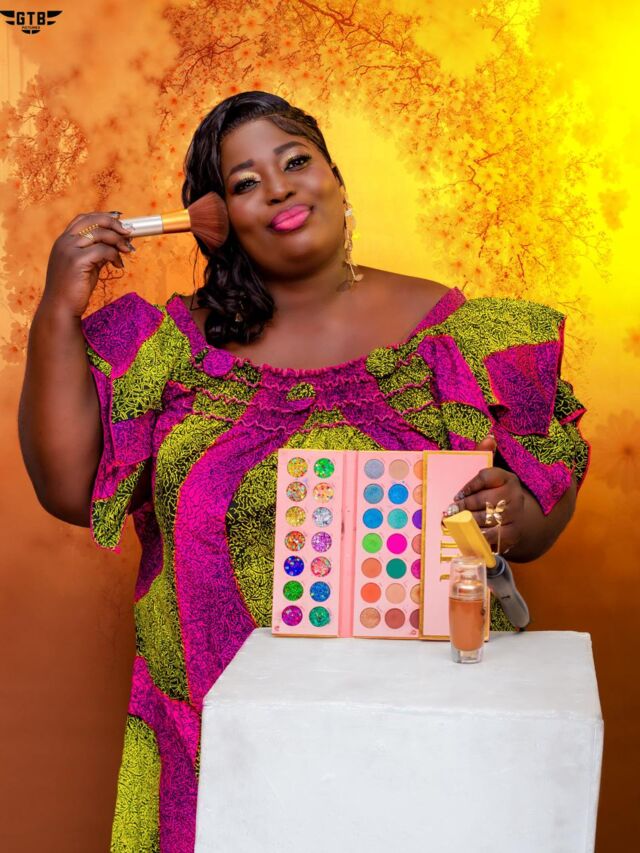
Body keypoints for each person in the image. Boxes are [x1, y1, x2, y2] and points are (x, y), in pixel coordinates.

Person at [19, 91, 589, 851]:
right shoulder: (172, 351)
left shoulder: (459, 334)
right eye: (245, 181)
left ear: (336, 178)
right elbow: (68, 489)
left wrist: (515, 512)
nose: (279, 187)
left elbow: (538, 506)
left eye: (295, 161)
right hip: (212, 750)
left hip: (416, 744)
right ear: (217, 218)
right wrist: (59, 308)